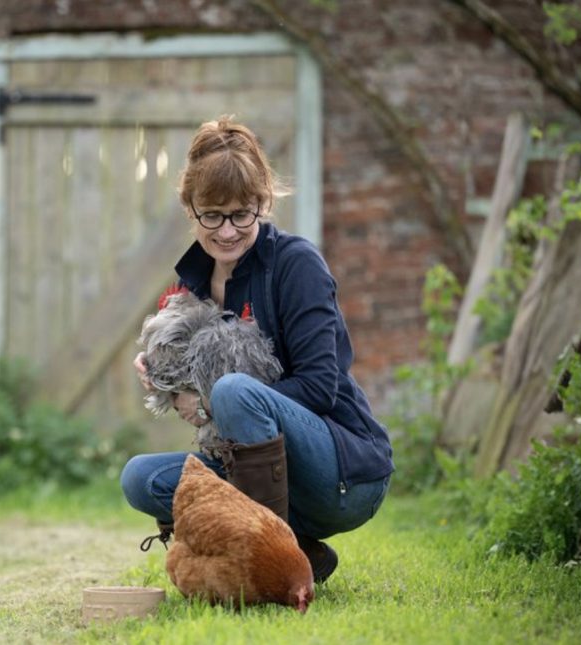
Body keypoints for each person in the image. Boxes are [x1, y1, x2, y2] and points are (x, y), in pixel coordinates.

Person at [120, 115, 394, 584]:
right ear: (191, 208)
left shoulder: (296, 265)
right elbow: (193, 368)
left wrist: (210, 405)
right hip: (265, 475)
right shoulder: (194, 281)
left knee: (231, 393)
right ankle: (302, 552)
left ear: (263, 203)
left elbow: (320, 388)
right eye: (212, 214)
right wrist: (163, 378)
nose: (226, 231)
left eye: (241, 214)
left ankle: (265, 566)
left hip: (341, 471)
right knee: (140, 478)